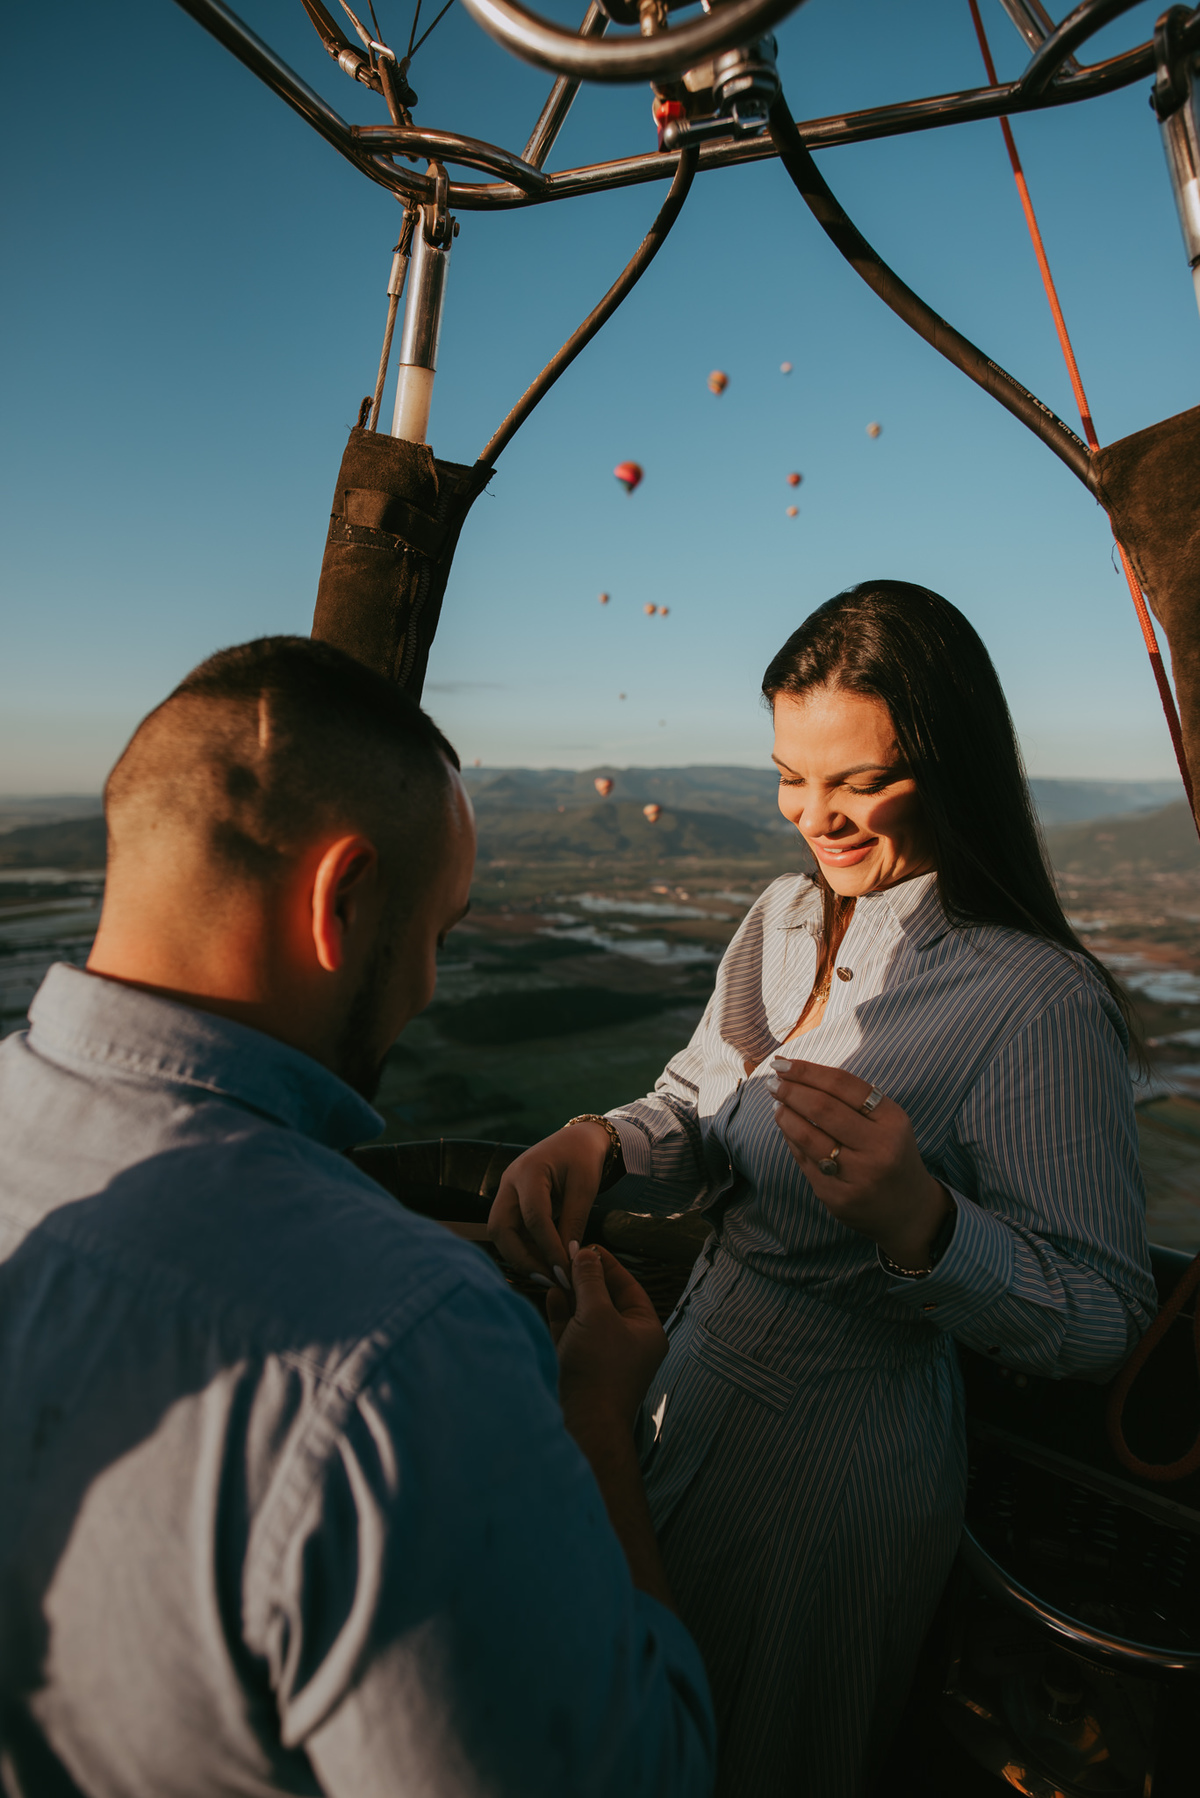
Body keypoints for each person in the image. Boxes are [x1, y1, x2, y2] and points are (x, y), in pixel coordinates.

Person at [0, 637, 715, 1798]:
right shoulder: (411, 1348)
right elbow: (645, 1772)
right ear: (343, 900)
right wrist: (591, 1423)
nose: (429, 985)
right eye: (434, 935)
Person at [489, 581, 1157, 1798]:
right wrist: (599, 1141)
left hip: (840, 1468)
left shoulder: (1036, 998)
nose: (816, 817)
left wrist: (928, 1229)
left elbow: (1105, 1313)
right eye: (793, 777)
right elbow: (697, 1096)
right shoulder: (782, 918)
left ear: (951, 760)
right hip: (675, 1386)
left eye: (858, 782)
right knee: (625, 1727)